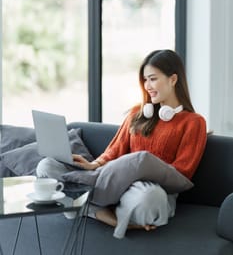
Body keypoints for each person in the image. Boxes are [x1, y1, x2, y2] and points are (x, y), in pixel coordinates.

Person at [36, 49, 207, 238]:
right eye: (145, 80)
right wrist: (94, 165)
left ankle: (85, 198)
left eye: (153, 78)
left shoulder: (194, 122)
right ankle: (102, 212)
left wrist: (140, 167)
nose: (147, 86)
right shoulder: (137, 113)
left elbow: (182, 174)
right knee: (46, 166)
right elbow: (114, 150)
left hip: (150, 190)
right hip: (115, 182)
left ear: (173, 79)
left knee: (146, 188)